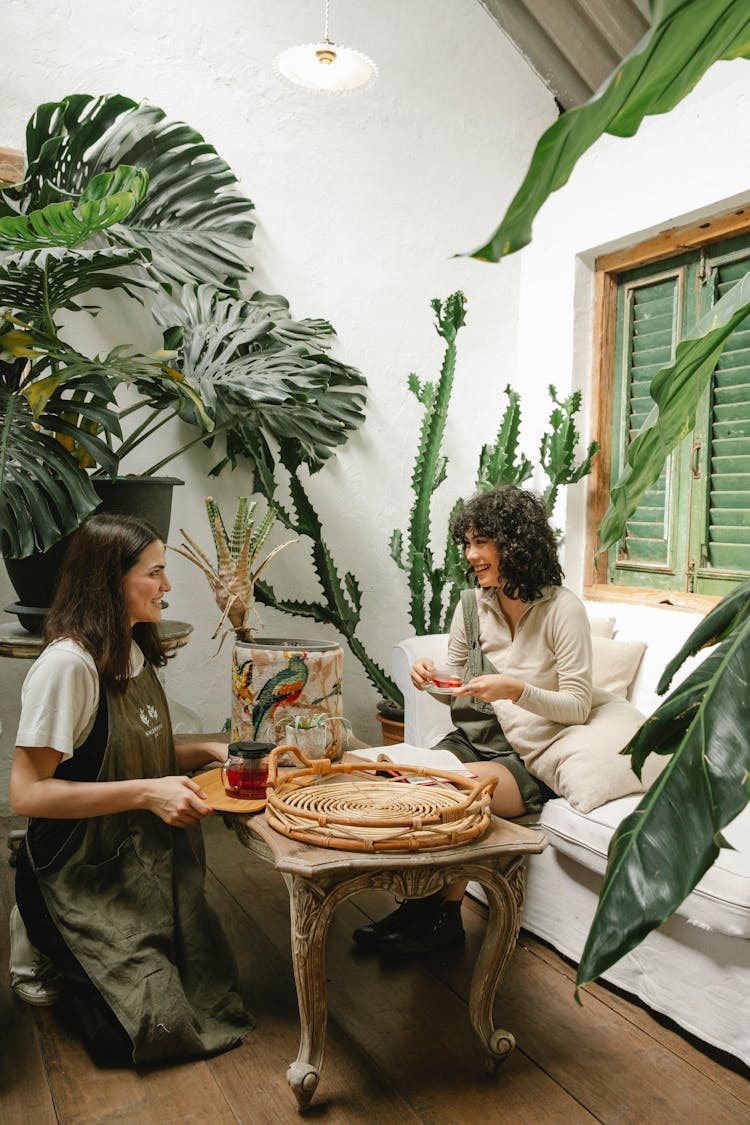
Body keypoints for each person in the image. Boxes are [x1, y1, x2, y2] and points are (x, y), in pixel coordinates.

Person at [8, 513, 252, 1066]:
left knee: (210, 993)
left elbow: (131, 749)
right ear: (109, 580)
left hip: (136, 861)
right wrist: (148, 794)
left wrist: (210, 749)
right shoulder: (68, 667)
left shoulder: (133, 648)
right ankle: (46, 952)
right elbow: (27, 794)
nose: (167, 587)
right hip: (75, 875)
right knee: (139, 1032)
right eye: (156, 573)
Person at [353, 485, 596, 960]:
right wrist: (428, 679)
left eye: (481, 542)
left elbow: (578, 705)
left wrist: (514, 688)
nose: (471, 555)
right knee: (410, 783)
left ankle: (440, 918)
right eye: (467, 543)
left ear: (515, 542)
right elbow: (454, 678)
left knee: (455, 794)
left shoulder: (563, 610)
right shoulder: (472, 605)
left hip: (526, 755)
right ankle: (423, 913)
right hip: (473, 738)